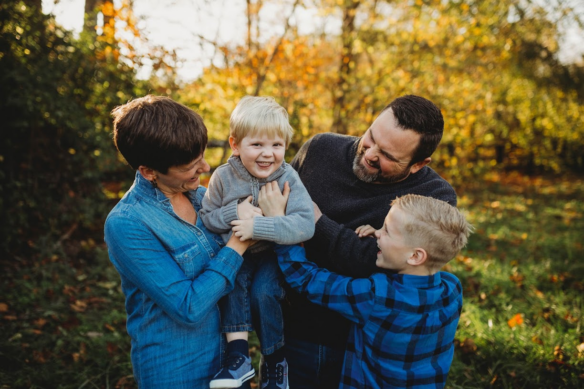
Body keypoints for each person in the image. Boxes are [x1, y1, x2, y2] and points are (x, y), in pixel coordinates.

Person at [285, 94, 458, 388]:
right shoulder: (320, 148)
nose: (370, 154)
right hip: (291, 323)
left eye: (389, 156)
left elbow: (373, 263)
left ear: (418, 164)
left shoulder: (435, 198)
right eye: (371, 137)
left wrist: (315, 222)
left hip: (358, 344)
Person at [104, 95, 254, 389]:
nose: (206, 167)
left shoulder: (203, 199)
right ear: (148, 171)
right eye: (191, 165)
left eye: (202, 155)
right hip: (177, 369)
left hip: (232, 364)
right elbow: (189, 307)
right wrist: (237, 245)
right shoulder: (127, 223)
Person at [275, 194, 473, 389]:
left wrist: (282, 228)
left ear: (415, 255)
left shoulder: (376, 296)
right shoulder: (452, 289)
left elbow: (307, 278)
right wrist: (384, 244)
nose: (377, 233)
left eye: (386, 231)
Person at [199, 96, 314, 389]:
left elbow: (305, 224)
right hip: (238, 252)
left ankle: (275, 362)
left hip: (274, 254)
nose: (268, 154)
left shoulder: (289, 176)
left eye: (276, 145)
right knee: (231, 281)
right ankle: (237, 359)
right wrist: (233, 212)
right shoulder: (223, 177)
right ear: (235, 145)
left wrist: (258, 226)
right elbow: (208, 217)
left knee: (263, 293)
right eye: (257, 145)